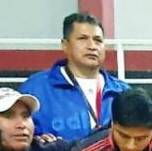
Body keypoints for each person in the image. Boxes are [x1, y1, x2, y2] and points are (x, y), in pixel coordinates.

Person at [20, 12, 129, 140]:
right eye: (83, 39)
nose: (92, 46)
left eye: (98, 40)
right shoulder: (36, 89)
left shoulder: (122, 92)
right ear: (65, 45)